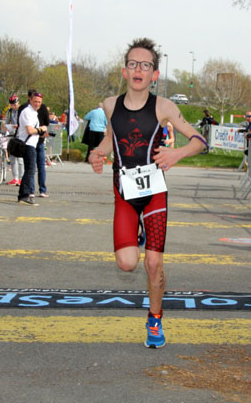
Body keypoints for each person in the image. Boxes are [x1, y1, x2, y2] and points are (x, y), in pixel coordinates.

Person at [88, 37, 208, 349]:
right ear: (124, 71)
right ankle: (137, 233)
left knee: (153, 264)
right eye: (133, 64)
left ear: (154, 74)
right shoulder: (110, 105)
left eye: (145, 65)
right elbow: (109, 140)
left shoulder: (164, 107)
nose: (138, 69)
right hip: (124, 192)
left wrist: (175, 155)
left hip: (154, 193)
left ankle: (154, 319)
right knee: (127, 263)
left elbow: (200, 141)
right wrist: (97, 154)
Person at [17, 91, 48, 206]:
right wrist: (41, 129)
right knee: (30, 170)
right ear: (30, 100)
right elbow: (30, 130)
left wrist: (41, 131)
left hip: (32, 143)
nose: (37, 104)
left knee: (30, 170)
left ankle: (24, 194)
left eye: (39, 102)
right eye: (35, 101)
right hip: (27, 144)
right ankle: (24, 195)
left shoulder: (34, 112)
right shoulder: (27, 112)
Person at [4, 95, 23, 186]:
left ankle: (21, 178)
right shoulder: (10, 112)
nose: (13, 106)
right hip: (12, 135)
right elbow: (6, 122)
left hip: (20, 135)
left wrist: (19, 126)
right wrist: (8, 127)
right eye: (12, 104)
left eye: (15, 104)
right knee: (12, 158)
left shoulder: (22, 111)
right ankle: (15, 178)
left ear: (18, 102)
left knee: (20, 158)